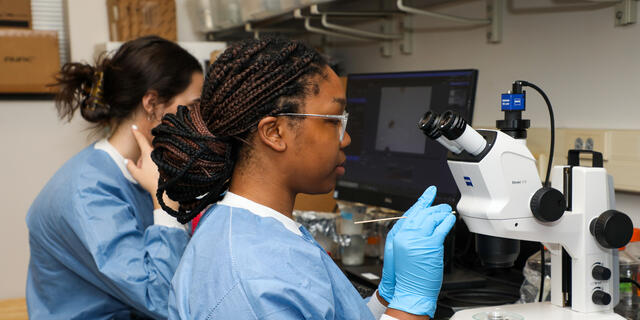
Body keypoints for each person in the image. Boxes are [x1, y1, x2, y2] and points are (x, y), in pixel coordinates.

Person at [153, 38, 456, 320]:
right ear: (275, 132)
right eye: (335, 120)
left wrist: (385, 299)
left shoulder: (254, 229)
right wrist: (410, 306)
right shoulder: (253, 278)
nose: (346, 138)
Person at [26, 36, 204, 320]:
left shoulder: (144, 171)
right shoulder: (87, 193)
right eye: (193, 107)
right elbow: (160, 299)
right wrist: (164, 203)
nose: (199, 120)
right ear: (152, 103)